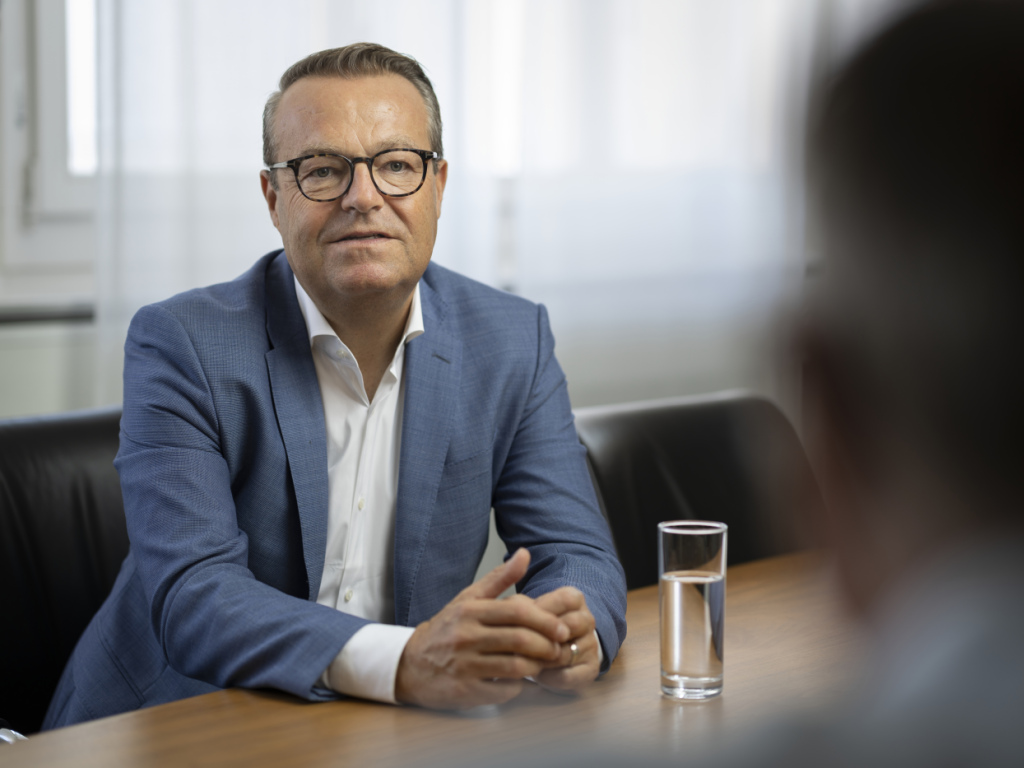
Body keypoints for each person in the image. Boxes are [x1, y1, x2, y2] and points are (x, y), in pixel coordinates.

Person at [43, 43, 626, 728]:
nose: (364, 197)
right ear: (274, 198)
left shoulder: (512, 340)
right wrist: (404, 661)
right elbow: (195, 596)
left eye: (397, 165)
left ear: (438, 186)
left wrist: (566, 634)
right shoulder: (181, 343)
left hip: (385, 728)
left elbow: (578, 553)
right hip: (176, 721)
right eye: (322, 170)